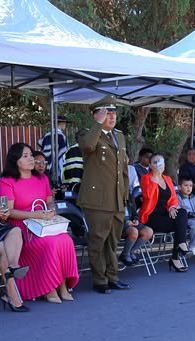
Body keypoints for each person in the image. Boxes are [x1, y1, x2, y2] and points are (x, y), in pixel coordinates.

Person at [0, 143, 79, 303]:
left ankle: (62, 286)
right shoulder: (6, 181)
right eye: (25, 156)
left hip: (44, 223)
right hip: (22, 228)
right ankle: (49, 289)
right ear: (15, 161)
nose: (31, 159)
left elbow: (50, 201)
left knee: (65, 239)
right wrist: (34, 214)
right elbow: (8, 212)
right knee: (50, 243)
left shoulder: (42, 178)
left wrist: (51, 210)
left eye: (31, 155)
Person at [77, 95, 130, 294]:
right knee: (98, 240)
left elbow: (123, 168)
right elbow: (87, 146)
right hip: (97, 199)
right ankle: (100, 280)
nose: (112, 116)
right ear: (96, 115)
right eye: (107, 112)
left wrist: (124, 194)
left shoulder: (119, 136)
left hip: (116, 199)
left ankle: (113, 277)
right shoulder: (88, 133)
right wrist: (98, 124)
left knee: (113, 241)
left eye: (114, 112)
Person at [0, 160, 30, 312]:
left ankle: (13, 266)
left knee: (15, 231)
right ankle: (12, 297)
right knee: (5, 250)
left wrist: (1, 216)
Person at [140, 153, 189, 272]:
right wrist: (155, 177)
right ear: (150, 165)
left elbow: (173, 198)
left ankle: (179, 247)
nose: (158, 164)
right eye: (155, 162)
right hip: (152, 215)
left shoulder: (167, 179)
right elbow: (148, 196)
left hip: (166, 213)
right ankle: (176, 255)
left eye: (160, 162)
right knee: (179, 225)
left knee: (182, 212)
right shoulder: (146, 178)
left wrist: (172, 207)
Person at [119, 196, 153, 266]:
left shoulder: (128, 195)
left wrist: (135, 219)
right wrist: (125, 221)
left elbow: (134, 213)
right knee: (134, 231)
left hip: (131, 222)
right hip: (119, 223)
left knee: (149, 232)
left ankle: (130, 252)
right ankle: (125, 255)